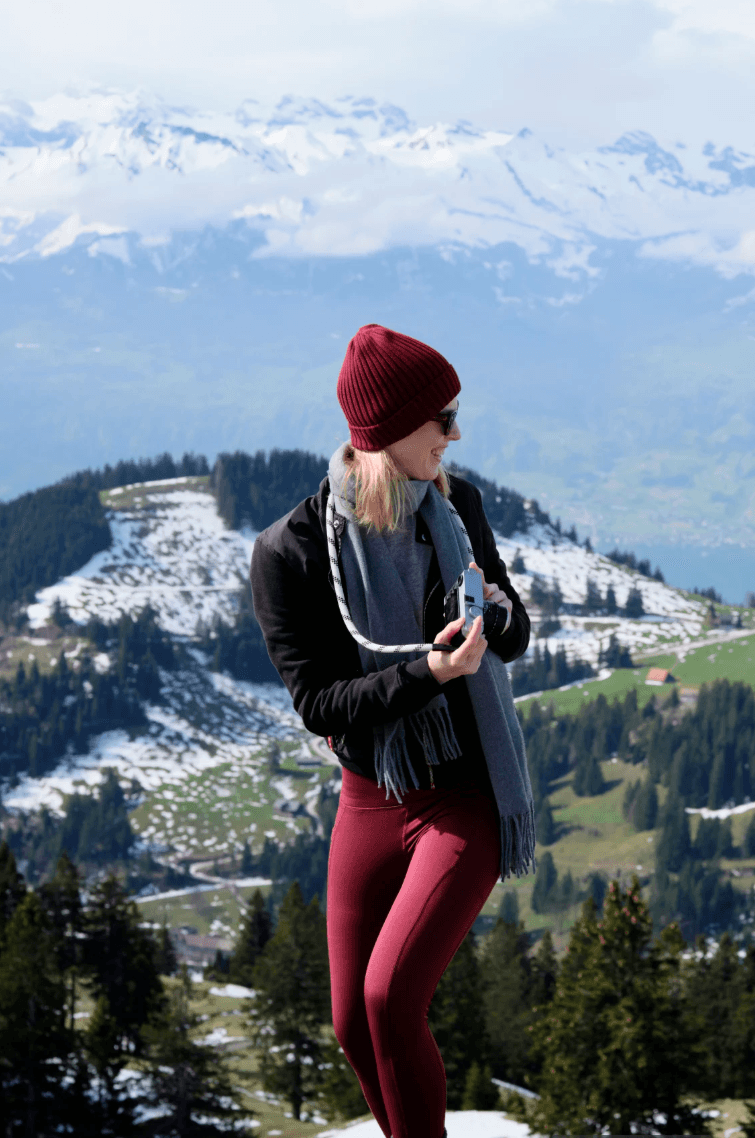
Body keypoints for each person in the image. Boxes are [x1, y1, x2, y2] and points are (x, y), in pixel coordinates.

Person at [250, 324, 535, 1138]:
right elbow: (319, 704)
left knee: (389, 998)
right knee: (351, 1023)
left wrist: (491, 617)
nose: (455, 434)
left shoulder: (456, 506)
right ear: (389, 430)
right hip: (371, 796)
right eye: (442, 417)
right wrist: (430, 673)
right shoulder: (290, 552)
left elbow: (515, 633)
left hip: (466, 789)